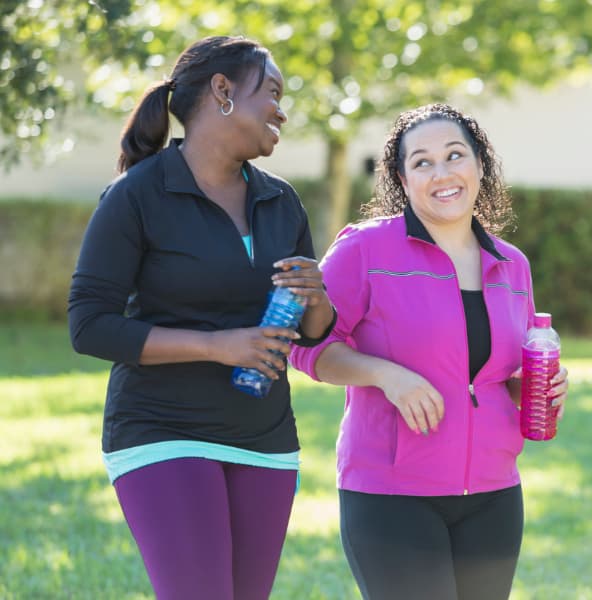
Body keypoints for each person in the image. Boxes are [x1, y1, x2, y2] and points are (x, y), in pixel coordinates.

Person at [68, 36, 336, 599]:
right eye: (272, 91)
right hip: (164, 431)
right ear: (222, 92)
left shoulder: (281, 201)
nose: (281, 108)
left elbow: (314, 333)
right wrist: (218, 346)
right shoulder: (136, 196)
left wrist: (317, 297)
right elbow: (89, 325)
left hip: (264, 438)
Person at [289, 103, 569, 600]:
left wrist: (532, 387)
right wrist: (385, 374)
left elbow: (499, 368)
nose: (442, 173)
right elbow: (309, 346)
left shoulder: (512, 264)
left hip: (493, 492)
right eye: (422, 162)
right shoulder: (365, 250)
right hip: (392, 493)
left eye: (454, 155)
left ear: (480, 165)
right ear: (402, 177)